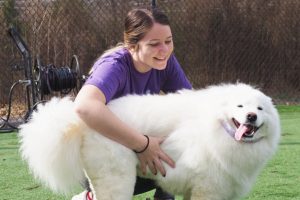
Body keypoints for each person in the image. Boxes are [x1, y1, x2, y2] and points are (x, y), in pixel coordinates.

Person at [72, 8, 192, 200]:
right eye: (154, 44)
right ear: (132, 46)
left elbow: (190, 104)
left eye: (168, 41)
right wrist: (142, 145)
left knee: (184, 150)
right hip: (102, 155)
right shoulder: (114, 66)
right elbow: (84, 106)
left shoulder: (165, 62)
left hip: (140, 152)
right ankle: (91, 196)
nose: (164, 50)